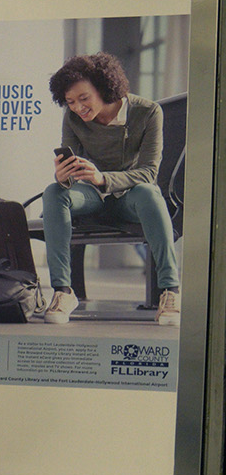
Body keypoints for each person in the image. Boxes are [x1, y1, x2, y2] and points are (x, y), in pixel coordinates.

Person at [40, 53, 180, 327]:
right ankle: (63, 291)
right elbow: (71, 172)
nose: (78, 107)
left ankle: (170, 290)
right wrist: (63, 176)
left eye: (84, 98)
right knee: (53, 192)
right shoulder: (72, 118)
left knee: (150, 192)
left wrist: (102, 178)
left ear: (104, 88)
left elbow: (148, 172)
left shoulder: (148, 112)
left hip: (130, 196)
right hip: (90, 196)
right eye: (70, 101)